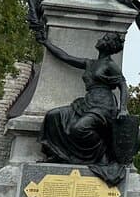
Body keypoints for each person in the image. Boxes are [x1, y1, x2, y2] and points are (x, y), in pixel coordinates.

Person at [37, 29, 132, 186]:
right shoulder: (90, 63)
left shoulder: (110, 65)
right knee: (53, 115)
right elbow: (65, 57)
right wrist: (45, 42)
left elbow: (123, 85)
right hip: (87, 103)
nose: (101, 39)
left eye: (105, 38)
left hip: (103, 106)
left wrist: (123, 108)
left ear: (108, 45)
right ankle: (58, 154)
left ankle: (102, 152)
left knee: (79, 129)